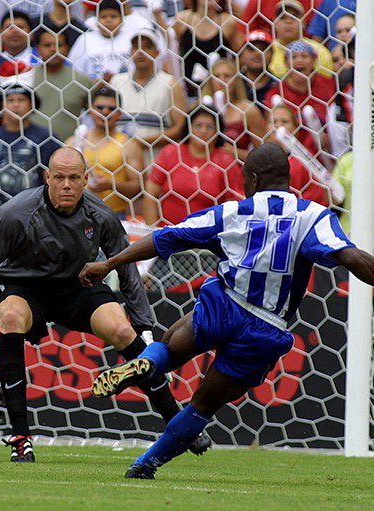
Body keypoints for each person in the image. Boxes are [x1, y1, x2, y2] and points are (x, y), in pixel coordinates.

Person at [78, 142, 374, 479]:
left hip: (226, 304)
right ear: (287, 178)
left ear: (254, 179)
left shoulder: (231, 213)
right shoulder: (313, 215)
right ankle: (145, 464)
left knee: (174, 342)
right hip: (266, 326)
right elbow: (350, 257)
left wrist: (110, 262)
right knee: (203, 405)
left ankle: (150, 361)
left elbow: (167, 237)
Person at [0, 147, 211, 462]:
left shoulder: (102, 216)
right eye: (59, 177)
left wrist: (145, 328)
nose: (66, 185)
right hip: (23, 286)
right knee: (11, 316)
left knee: (122, 330)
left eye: (73, 178)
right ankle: (21, 438)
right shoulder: (16, 212)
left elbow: (127, 272)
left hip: (77, 285)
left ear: (86, 180)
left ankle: (178, 425)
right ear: (47, 178)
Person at [0, 84, 61, 233]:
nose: (16, 104)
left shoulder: (45, 138)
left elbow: (53, 181)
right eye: (10, 100)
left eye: (21, 100)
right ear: (2, 105)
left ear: (32, 104)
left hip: (36, 220)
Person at [144, 105, 244, 227]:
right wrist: (153, 232)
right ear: (188, 127)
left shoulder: (226, 161)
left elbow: (234, 203)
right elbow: (150, 194)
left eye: (210, 127)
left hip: (207, 236)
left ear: (218, 131)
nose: (203, 131)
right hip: (168, 233)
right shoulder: (170, 152)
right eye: (198, 125)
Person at [110, 29, 187, 163]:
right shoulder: (116, 81)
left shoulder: (170, 83)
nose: (141, 52)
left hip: (155, 163)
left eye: (147, 47)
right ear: (130, 52)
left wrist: (139, 143)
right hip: (119, 163)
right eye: (136, 47)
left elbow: (180, 128)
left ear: (157, 53)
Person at [67, 87, 143, 216]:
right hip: (75, 213)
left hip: (113, 215)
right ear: (90, 111)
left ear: (120, 113)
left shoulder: (128, 144)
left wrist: (111, 185)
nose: (105, 112)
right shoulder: (74, 142)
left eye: (112, 109)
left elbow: (138, 187)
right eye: (100, 107)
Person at [68, 0, 164, 81]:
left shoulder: (132, 39)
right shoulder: (85, 40)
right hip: (94, 93)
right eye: (103, 17)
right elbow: (75, 69)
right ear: (96, 21)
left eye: (113, 16)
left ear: (122, 20)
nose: (108, 20)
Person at [30, 23, 91, 143]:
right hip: (31, 149)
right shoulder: (28, 78)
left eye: (59, 45)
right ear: (37, 49)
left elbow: (93, 115)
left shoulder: (81, 80)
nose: (53, 49)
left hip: (68, 149)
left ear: (67, 49)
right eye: (47, 45)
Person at [201, 58, 266, 161]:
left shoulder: (248, 110)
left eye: (227, 76)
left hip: (238, 169)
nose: (221, 80)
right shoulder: (200, 108)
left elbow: (263, 154)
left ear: (236, 80)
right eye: (216, 76)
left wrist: (233, 151)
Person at [173, 0, 237, 99]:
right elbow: (173, 54)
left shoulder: (229, 22)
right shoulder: (181, 19)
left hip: (219, 93)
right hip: (188, 91)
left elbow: (237, 58)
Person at [268, 0, 333, 79]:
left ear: (303, 23)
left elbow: (326, 84)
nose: (288, 21)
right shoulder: (267, 49)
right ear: (275, 23)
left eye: (294, 17)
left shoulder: (320, 51)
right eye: (283, 17)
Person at [239, 30, 278, 107]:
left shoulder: (279, 86)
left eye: (263, 49)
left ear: (272, 54)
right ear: (241, 54)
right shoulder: (234, 83)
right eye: (251, 49)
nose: (257, 53)